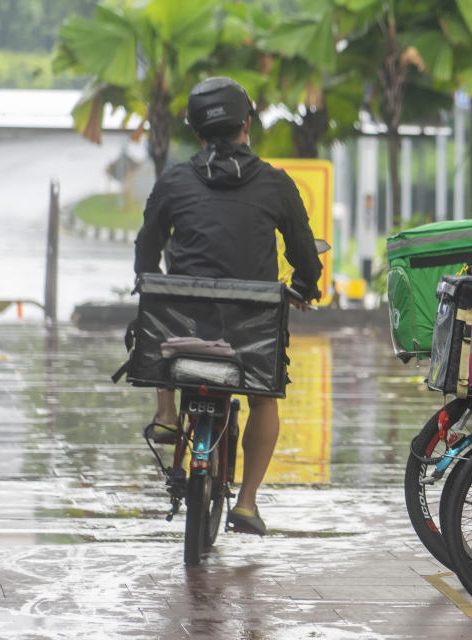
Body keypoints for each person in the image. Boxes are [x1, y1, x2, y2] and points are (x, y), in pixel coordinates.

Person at [133, 77, 323, 536]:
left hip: (179, 329)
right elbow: (303, 254)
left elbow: (145, 252)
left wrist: (150, 280)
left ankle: (165, 412)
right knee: (263, 398)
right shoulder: (277, 185)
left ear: (197, 133)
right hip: (249, 335)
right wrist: (303, 288)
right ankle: (248, 502)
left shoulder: (174, 180)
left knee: (153, 300)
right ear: (248, 124)